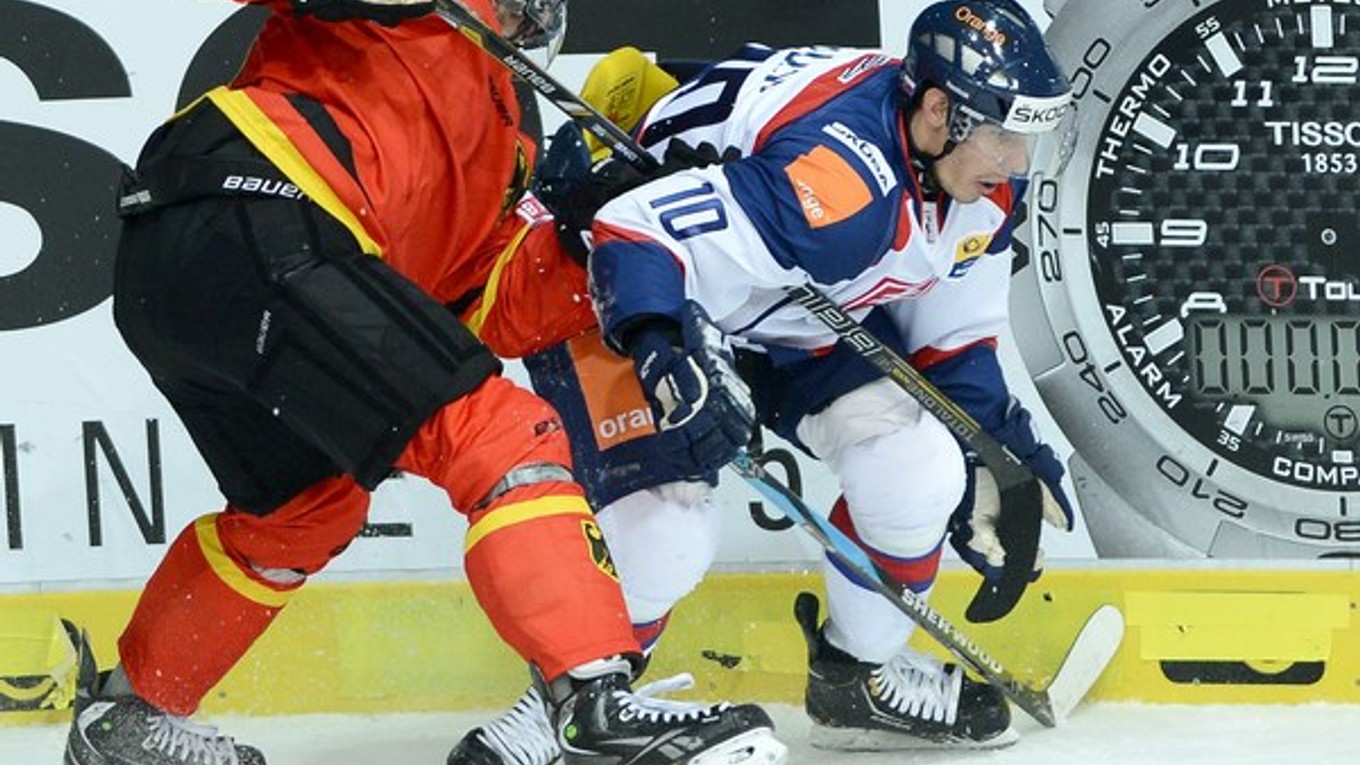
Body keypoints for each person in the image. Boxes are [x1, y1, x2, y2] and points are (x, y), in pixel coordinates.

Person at [63, 2, 788, 765]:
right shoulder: (396, 16)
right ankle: (593, 701)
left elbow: (480, 300)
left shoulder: (508, 125)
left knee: (303, 511)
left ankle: (127, 719)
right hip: (258, 209)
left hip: (197, 273)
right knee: (508, 434)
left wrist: (587, 241)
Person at [449, 0, 1079, 761]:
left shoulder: (972, 184)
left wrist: (1004, 453)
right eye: (1005, 136)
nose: (1018, 161)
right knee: (668, 525)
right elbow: (635, 232)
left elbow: (949, 339)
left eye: (1028, 138)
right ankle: (565, 706)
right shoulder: (842, 183)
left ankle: (856, 683)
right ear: (940, 110)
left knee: (921, 465)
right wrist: (662, 351)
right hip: (625, 278)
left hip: (771, 291)